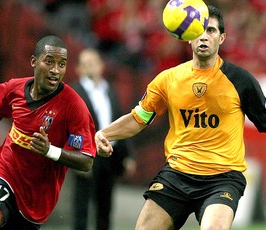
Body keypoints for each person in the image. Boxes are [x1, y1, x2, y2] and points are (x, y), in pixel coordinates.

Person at [95, 5, 266, 230]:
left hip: (223, 178)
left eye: (211, 31)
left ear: (222, 37)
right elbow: (138, 119)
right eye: (198, 31)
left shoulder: (241, 81)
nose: (204, 36)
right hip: (177, 175)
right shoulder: (167, 79)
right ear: (188, 37)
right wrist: (104, 133)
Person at [0, 35, 96, 230]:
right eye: (49, 62)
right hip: (2, 172)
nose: (55, 70)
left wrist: (50, 151)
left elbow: (86, 161)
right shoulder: (13, 89)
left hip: (36, 199)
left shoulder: (74, 107)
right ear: (34, 62)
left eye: (62, 64)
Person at [71, 48, 135, 230]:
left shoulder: (109, 90)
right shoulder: (74, 92)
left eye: (92, 63)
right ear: (78, 69)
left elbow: (120, 122)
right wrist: (75, 156)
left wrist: (127, 155)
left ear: (101, 65)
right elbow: (68, 127)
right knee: (81, 208)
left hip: (109, 155)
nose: (89, 67)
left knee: (105, 208)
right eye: (84, 64)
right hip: (86, 155)